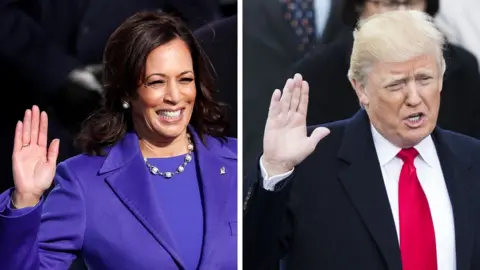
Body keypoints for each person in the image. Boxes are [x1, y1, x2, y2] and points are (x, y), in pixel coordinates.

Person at [244, 10, 480, 270]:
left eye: (424, 79)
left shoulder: (473, 160)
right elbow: (253, 257)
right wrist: (275, 170)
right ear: (361, 89)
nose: (414, 97)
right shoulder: (310, 162)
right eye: (396, 84)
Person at [0, 11, 237, 270]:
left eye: (185, 80)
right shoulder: (83, 182)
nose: (174, 96)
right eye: (156, 82)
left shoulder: (237, 163)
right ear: (127, 92)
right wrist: (26, 200)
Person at [292, 0, 480, 139]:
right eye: (389, 4)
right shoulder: (318, 74)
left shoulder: (463, 69)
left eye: (410, 4)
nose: (400, 15)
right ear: (359, 7)